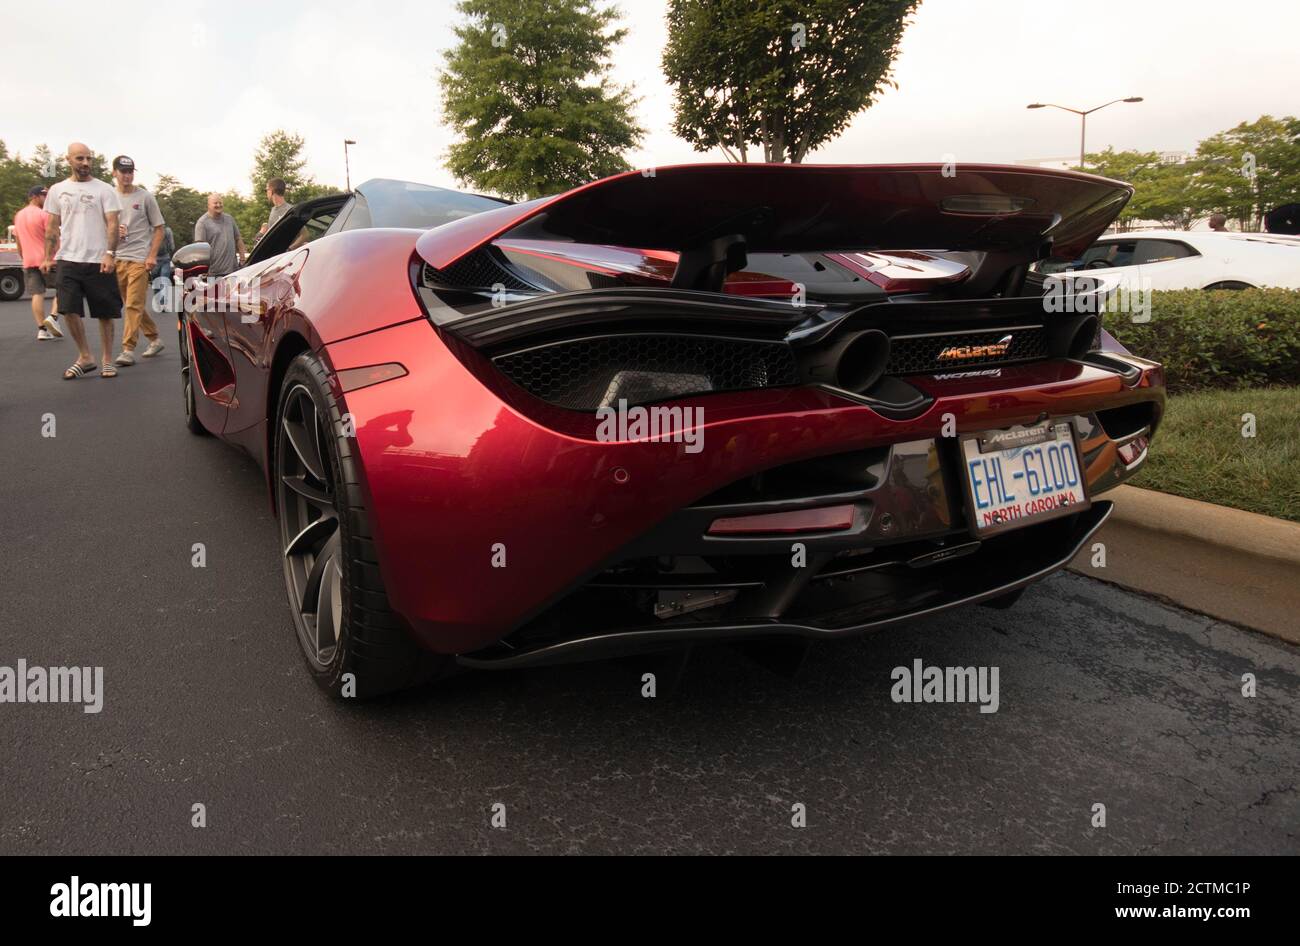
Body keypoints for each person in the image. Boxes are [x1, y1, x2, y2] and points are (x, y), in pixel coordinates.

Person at [41, 142, 123, 380]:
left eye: (89, 159)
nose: (85, 163)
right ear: (68, 160)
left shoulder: (104, 189)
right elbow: (52, 226)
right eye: (80, 159)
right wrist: (47, 256)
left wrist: (110, 253)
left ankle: (108, 359)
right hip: (68, 258)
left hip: (98, 259)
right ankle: (85, 356)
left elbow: (113, 224)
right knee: (67, 309)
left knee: (105, 312)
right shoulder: (57, 190)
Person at [110, 156, 165, 366]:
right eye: (123, 171)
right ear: (114, 172)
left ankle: (127, 349)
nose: (127, 175)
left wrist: (151, 256)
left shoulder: (145, 197)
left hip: (139, 259)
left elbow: (159, 228)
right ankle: (154, 338)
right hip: (117, 259)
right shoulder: (109, 196)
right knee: (133, 304)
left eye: (130, 171)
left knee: (133, 304)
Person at [13, 185, 62, 340]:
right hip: (48, 260)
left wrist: (23, 256)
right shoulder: (45, 214)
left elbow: (18, 240)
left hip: (29, 260)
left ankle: (42, 329)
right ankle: (53, 318)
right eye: (44, 196)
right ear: (34, 196)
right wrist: (59, 253)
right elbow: (52, 236)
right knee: (64, 288)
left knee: (37, 293)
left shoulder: (19, 216)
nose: (46, 199)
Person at [194, 194, 246, 277]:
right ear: (208, 205)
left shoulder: (229, 219)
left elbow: (238, 239)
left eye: (220, 203)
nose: (219, 205)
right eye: (215, 203)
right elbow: (199, 249)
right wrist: (203, 269)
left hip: (234, 270)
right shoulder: (202, 223)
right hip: (214, 273)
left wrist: (242, 259)